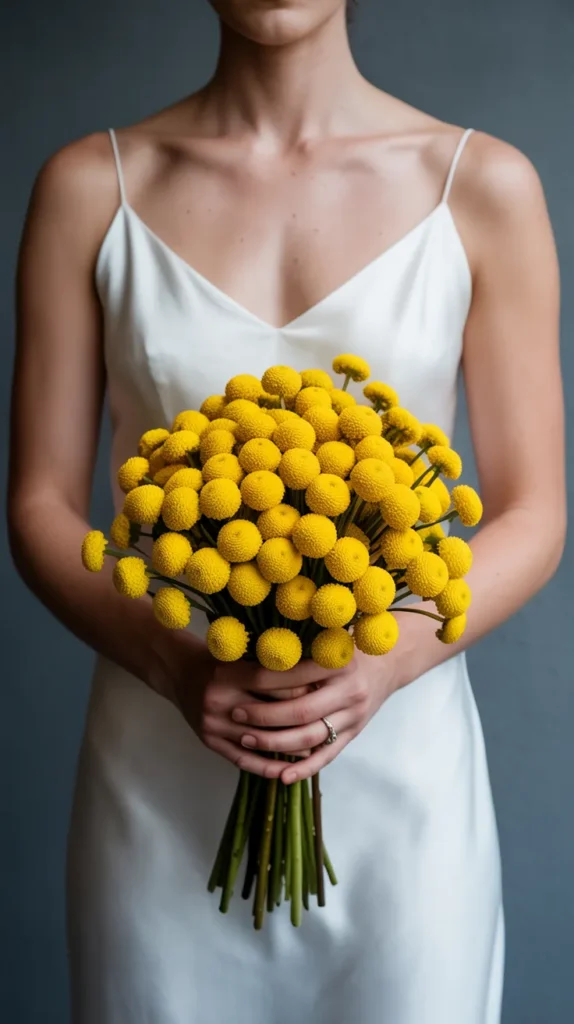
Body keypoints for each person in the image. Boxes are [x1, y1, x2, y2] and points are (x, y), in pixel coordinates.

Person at [8, 1, 566, 1022]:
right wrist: (179, 665)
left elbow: (533, 510)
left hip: (402, 771)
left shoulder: (482, 185)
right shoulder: (90, 188)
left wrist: (384, 659)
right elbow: (39, 505)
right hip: (157, 755)